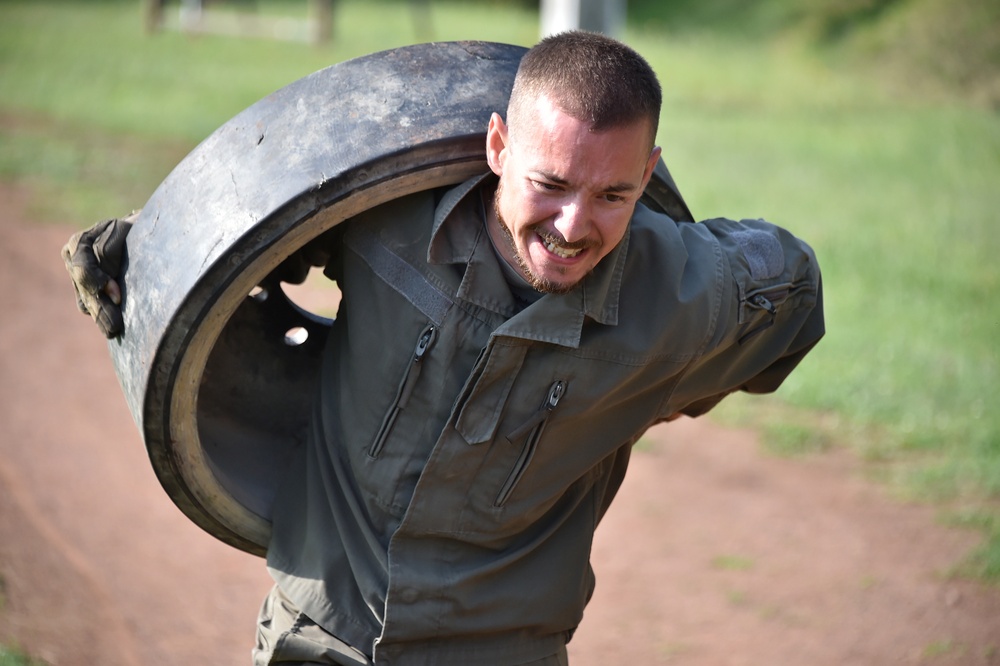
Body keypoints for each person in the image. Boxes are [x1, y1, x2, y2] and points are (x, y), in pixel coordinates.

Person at [63, 31, 824, 666]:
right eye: (550, 183)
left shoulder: (682, 296)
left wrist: (677, 386)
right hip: (318, 641)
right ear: (497, 145)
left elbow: (795, 290)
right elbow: (245, 229)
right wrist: (155, 251)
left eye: (613, 195)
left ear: (649, 174)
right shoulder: (380, 213)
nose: (571, 226)